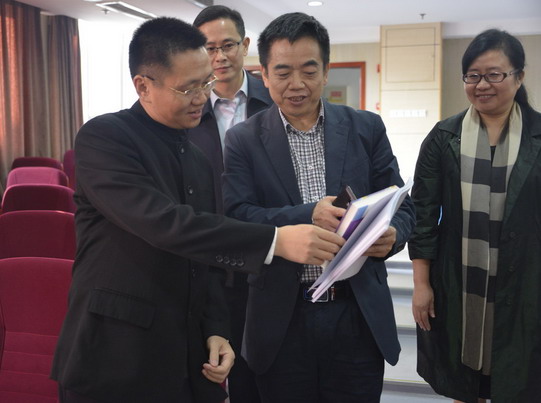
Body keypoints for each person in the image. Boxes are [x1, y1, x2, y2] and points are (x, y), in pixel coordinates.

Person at [50, 17, 344, 403]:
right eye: (188, 88)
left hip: (187, 356)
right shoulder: (105, 138)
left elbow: (207, 257)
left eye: (206, 83)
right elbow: (165, 224)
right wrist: (276, 240)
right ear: (143, 86)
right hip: (116, 355)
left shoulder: (197, 158)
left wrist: (217, 328)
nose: (202, 98)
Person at [222, 12, 415, 403]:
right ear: (264, 75)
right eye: (283, 72)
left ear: (326, 72)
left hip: (356, 314)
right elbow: (237, 216)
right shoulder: (243, 140)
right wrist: (306, 214)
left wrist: (394, 236)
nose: (297, 84)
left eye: (309, 71)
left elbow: (403, 204)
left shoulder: (366, 128)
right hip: (282, 316)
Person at [409, 29, 541, 403]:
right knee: (464, 383)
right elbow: (423, 215)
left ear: (519, 76)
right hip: (459, 282)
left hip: (526, 283)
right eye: (472, 76)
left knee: (520, 378)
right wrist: (421, 284)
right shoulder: (443, 137)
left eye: (494, 74)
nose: (482, 85)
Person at [187, 7, 272, 402]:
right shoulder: (187, 108)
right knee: (212, 368)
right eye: (209, 48)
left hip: (267, 252)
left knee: (263, 374)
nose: (219, 57)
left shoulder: (273, 100)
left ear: (245, 45)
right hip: (208, 258)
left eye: (228, 46)